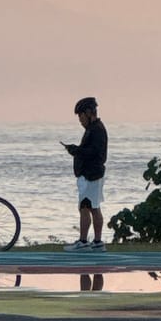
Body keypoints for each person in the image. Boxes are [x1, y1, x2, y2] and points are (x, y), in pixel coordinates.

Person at [61, 97, 108, 252]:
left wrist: (76, 150)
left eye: (81, 116)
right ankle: (97, 242)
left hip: (91, 174)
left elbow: (93, 152)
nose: (80, 120)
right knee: (93, 206)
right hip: (93, 174)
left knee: (85, 207)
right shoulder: (94, 129)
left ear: (88, 113)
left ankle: (83, 241)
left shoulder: (96, 130)